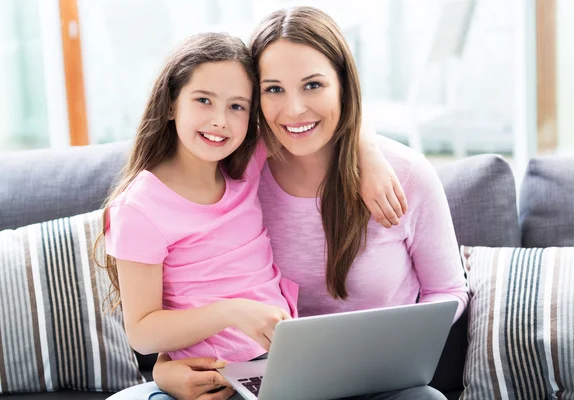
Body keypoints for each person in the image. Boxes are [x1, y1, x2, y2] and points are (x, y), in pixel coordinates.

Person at [108, 6, 468, 400]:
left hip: (371, 382)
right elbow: (187, 288)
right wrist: (164, 369)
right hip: (259, 374)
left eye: (313, 85)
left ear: (343, 85)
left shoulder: (404, 175)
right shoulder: (245, 166)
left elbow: (448, 289)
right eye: (274, 89)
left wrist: (366, 152)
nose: (294, 109)